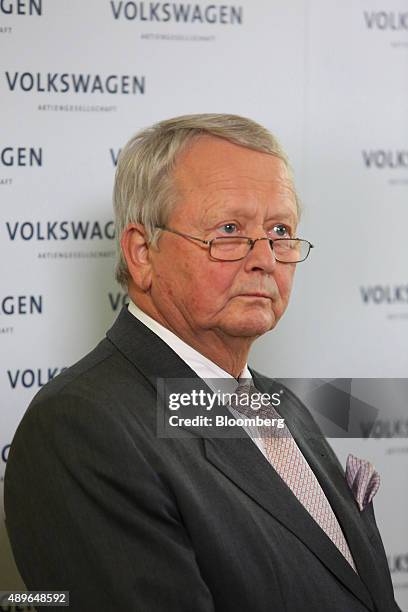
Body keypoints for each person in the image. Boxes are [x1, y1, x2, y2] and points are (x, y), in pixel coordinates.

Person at [4, 114, 400, 611]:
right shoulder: (80, 426)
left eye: (280, 230)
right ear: (143, 252)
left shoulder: (282, 405)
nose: (266, 259)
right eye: (229, 230)